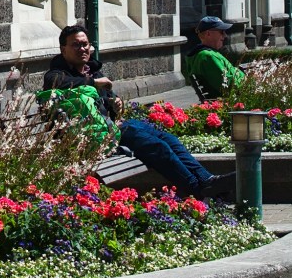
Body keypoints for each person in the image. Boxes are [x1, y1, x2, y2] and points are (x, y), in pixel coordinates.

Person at [43, 24, 235, 198]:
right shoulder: (58, 74)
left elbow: (109, 102)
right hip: (92, 137)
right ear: (63, 49)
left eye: (85, 44)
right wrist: (92, 83)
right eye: (76, 45)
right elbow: (55, 84)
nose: (82, 49)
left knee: (169, 139)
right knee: (155, 146)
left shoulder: (92, 70)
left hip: (110, 128)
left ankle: (206, 179)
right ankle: (195, 186)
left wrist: (117, 103)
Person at [184, 16, 245, 99]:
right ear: (208, 34)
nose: (225, 35)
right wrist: (241, 73)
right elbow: (230, 86)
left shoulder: (205, 54)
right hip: (229, 102)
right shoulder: (208, 56)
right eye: (221, 32)